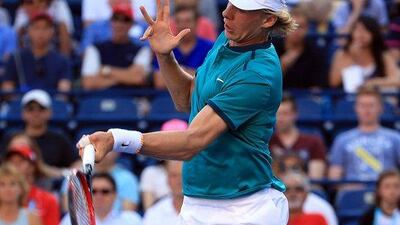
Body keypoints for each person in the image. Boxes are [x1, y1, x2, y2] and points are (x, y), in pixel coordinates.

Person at [78, 0, 297, 224]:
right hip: (197, 202)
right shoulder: (228, 40)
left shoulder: (257, 75)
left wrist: (117, 139)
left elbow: (192, 141)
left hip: (245, 209)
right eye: (230, 3)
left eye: (241, 9)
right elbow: (188, 99)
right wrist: (165, 56)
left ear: (268, 19)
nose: (226, 13)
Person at [329, 87, 400, 181]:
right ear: (356, 108)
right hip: (353, 191)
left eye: (371, 105)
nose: (367, 110)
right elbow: (334, 176)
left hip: (387, 192)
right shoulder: (342, 139)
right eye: (362, 105)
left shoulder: (395, 138)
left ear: (380, 108)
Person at [81, 3, 152, 90]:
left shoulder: (141, 49)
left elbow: (138, 78)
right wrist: (127, 77)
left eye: (125, 20)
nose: (119, 24)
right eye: (116, 19)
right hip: (102, 98)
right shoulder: (95, 48)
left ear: (131, 24)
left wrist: (106, 71)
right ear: (110, 22)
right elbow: (88, 83)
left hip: (131, 99)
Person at [2, 89, 78, 168]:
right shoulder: (11, 137)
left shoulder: (59, 138)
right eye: (30, 109)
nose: (36, 113)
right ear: (23, 113)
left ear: (49, 112)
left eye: (41, 108)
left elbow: (77, 162)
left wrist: (65, 174)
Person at [3, 13, 72, 92]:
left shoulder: (61, 60)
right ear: (29, 31)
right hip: (22, 101)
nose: (41, 32)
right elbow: (7, 87)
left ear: (52, 31)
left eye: (45, 28)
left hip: (50, 102)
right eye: (36, 28)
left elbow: (64, 90)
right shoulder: (16, 58)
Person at [329, 16, 400, 92]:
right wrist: (351, 56)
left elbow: (397, 80)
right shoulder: (342, 54)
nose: (360, 34)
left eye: (365, 30)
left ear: (373, 33)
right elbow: (334, 82)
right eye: (356, 30)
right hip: (349, 98)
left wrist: (372, 83)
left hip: (376, 98)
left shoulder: (382, 55)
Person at [153, 4, 214, 89]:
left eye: (187, 21)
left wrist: (173, 73)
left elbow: (210, 80)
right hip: (167, 96)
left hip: (200, 98)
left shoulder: (210, 47)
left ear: (196, 23)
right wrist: (193, 74)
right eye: (179, 21)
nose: (183, 25)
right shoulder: (167, 47)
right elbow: (159, 81)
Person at [269, 94, 327, 179]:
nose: (280, 118)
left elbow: (316, 179)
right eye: (277, 114)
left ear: (295, 114)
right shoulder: (266, 142)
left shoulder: (313, 142)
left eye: (285, 113)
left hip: (304, 190)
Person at [4, 145, 60, 225]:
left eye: (20, 161)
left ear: (32, 166)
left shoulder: (48, 200)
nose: (15, 165)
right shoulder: (3, 198)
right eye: (11, 162)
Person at [275, 6, 329, 89]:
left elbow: (318, 85)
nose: (296, 31)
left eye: (300, 27)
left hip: (304, 98)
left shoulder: (316, 52)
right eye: (292, 26)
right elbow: (267, 81)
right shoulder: (271, 48)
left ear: (307, 29)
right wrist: (283, 65)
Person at [140, 119, 188, 210]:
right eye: (169, 141)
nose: (174, 146)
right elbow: (150, 211)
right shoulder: (150, 173)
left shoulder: (196, 171)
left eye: (179, 141)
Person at [59, 173, 142, 225]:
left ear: (115, 195)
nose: (99, 196)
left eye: (105, 191)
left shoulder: (131, 219)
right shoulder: (73, 219)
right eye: (94, 191)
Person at [142, 160, 184, 225]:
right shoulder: (154, 213)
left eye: (183, 176)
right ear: (167, 180)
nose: (179, 181)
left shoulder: (203, 208)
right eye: (174, 176)